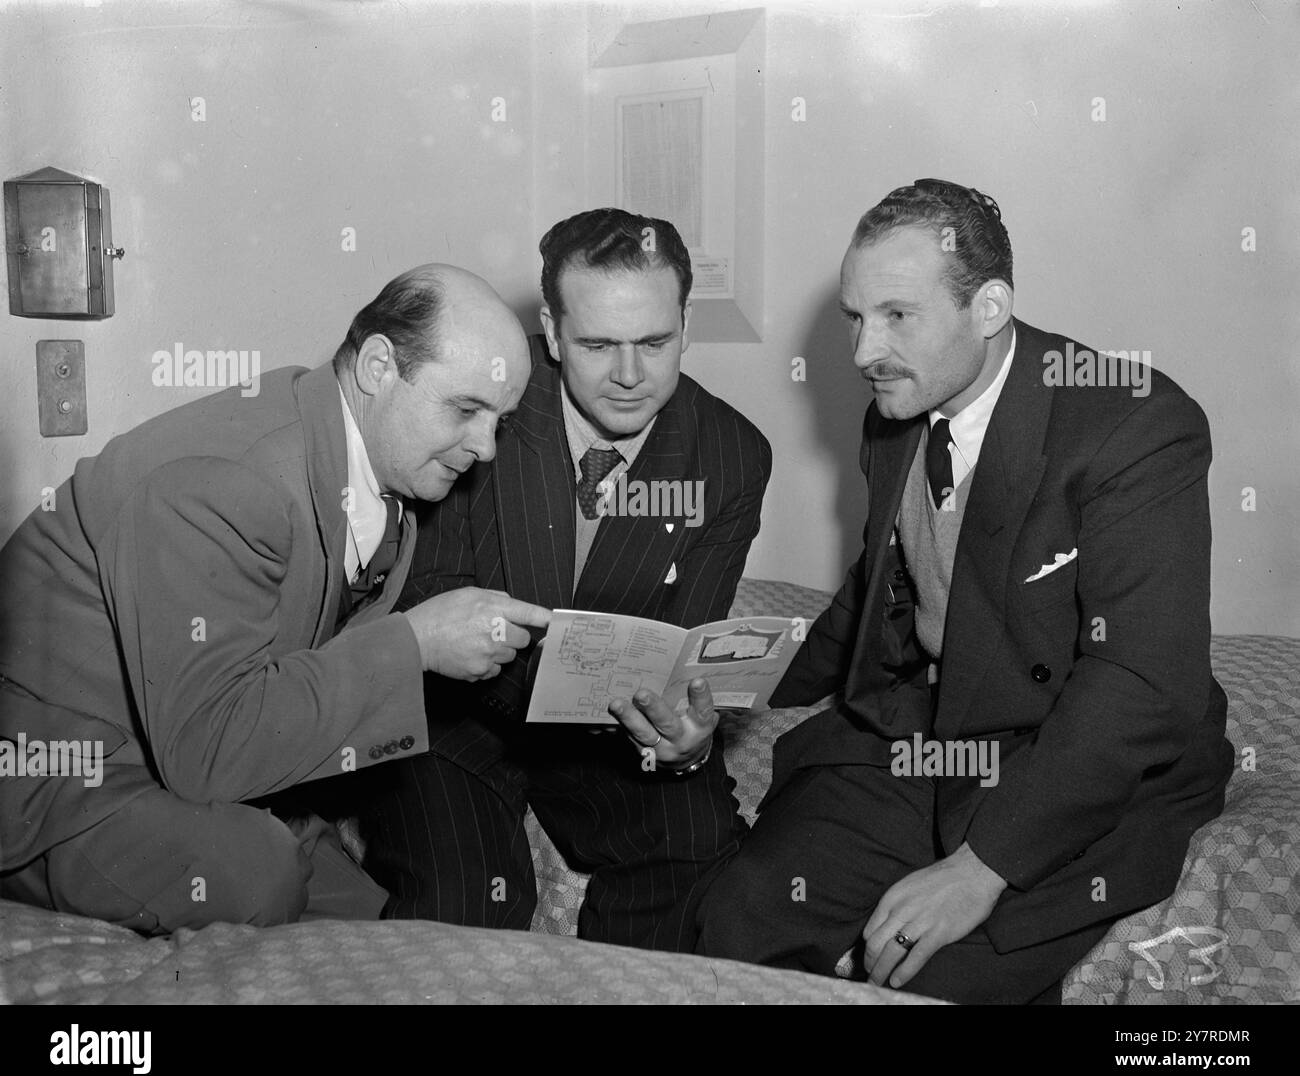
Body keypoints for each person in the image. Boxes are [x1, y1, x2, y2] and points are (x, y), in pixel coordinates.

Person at [615, 179, 1233, 1003]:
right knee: (741, 917)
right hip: (929, 735)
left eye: (897, 316)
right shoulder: (897, 414)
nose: (865, 350)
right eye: (854, 317)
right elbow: (883, 594)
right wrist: (714, 680)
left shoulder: (1135, 424)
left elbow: (1140, 686)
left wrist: (981, 869)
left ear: (988, 308)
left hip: (1078, 760)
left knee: (935, 972)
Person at [0, 264, 550, 934]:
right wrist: (415, 647)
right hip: (56, 780)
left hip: (171, 763)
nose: (485, 447)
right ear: (378, 365)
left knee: (381, 929)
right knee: (258, 877)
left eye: (500, 420)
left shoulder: (384, 485)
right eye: (465, 409)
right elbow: (206, 750)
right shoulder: (227, 479)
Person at [359, 208, 772, 951]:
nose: (628, 375)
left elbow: (685, 646)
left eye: (655, 342)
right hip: (458, 717)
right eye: (595, 344)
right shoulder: (481, 397)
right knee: (465, 906)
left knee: (705, 863)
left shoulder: (734, 454)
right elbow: (420, 588)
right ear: (549, 332)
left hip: (614, 736)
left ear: (687, 325)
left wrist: (689, 741)